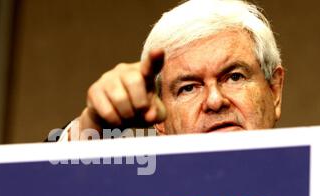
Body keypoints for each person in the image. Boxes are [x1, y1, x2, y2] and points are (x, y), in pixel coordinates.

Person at [55, 0, 284, 141]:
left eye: (234, 77)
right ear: (160, 122)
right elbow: (41, 192)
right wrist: (90, 129)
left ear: (274, 90)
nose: (215, 101)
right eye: (188, 88)